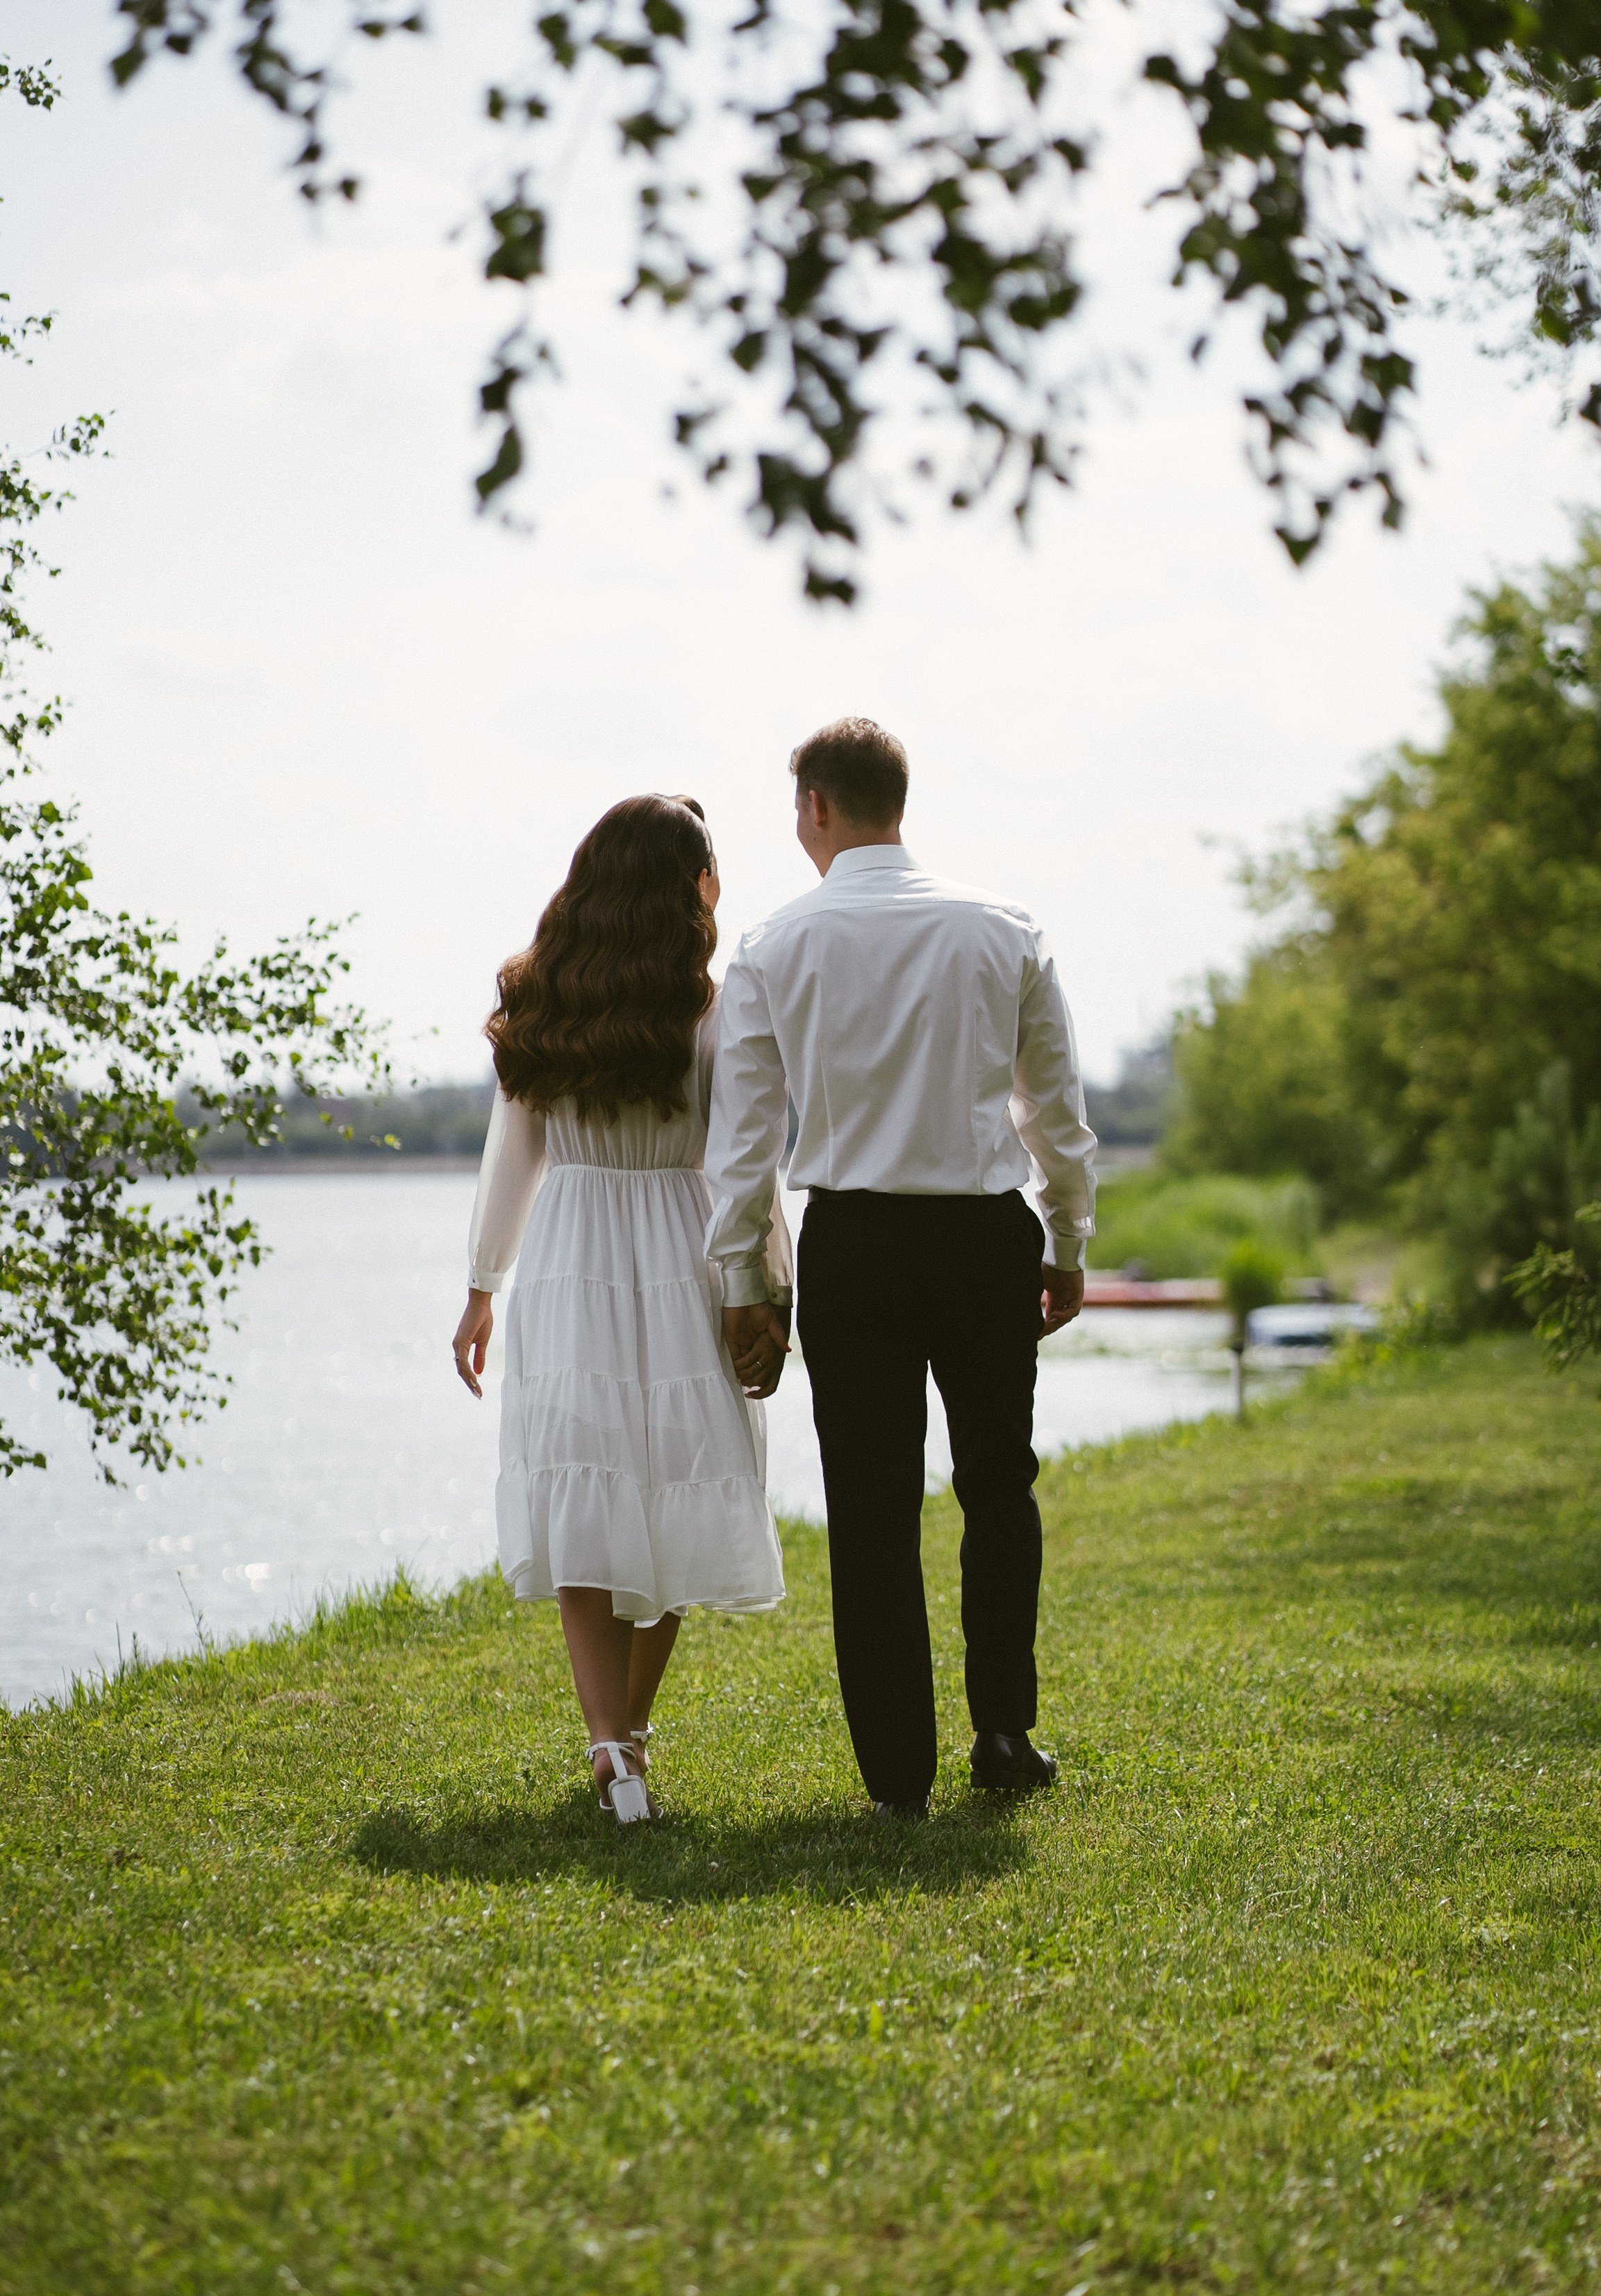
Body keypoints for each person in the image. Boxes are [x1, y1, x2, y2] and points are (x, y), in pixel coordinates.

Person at [704, 719, 1095, 1817]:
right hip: (981, 1237)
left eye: (796, 809)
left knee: (869, 1507)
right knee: (996, 1486)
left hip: (856, 1245)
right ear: (899, 799)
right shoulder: (1001, 927)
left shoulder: (774, 945)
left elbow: (743, 1143)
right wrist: (1067, 1241)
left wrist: (743, 1282)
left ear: (817, 806)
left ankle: (895, 1779)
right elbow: (1052, 1110)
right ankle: (1004, 1732)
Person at [452, 795, 790, 1825]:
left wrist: (481, 1283)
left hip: (569, 1252)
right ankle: (629, 1733)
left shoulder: (541, 996)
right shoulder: (720, 1006)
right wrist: (769, 1281)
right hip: (684, 1243)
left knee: (584, 1484)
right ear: (692, 883)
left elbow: (510, 1154)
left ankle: (610, 1739)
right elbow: (747, 1166)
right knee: (680, 1473)